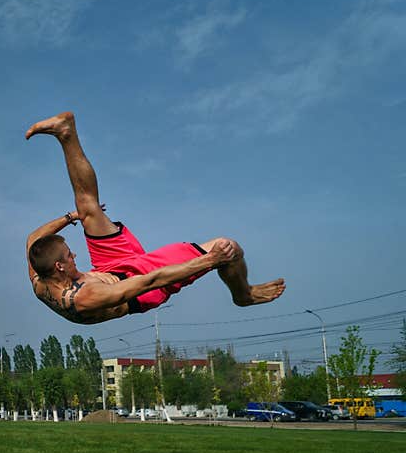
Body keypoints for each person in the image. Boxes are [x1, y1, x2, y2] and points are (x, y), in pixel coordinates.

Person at [25, 111, 285, 324]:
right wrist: (210, 260)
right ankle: (243, 295)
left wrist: (71, 217)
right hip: (140, 290)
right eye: (70, 256)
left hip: (108, 266)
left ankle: (66, 133)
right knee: (229, 248)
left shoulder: (40, 278)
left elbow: (33, 240)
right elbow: (153, 280)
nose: (75, 256)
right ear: (59, 266)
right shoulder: (85, 298)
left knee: (88, 208)